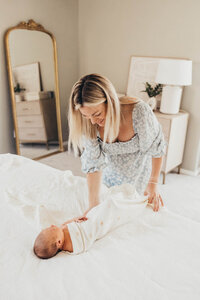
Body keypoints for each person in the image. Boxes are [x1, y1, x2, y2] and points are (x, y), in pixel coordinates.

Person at [68, 73, 166, 217]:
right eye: (86, 116)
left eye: (97, 114)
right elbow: (93, 163)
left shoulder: (139, 113)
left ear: (110, 101)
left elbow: (156, 149)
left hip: (140, 177)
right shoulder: (89, 125)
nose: (93, 122)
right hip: (109, 178)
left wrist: (153, 183)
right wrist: (93, 205)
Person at [33, 185, 149, 258]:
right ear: (59, 243)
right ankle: (135, 202)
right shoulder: (71, 246)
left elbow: (70, 223)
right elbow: (85, 243)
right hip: (95, 227)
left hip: (89, 220)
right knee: (111, 205)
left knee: (103, 207)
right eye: (52, 229)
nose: (53, 225)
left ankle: (124, 199)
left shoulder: (62, 230)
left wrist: (77, 219)